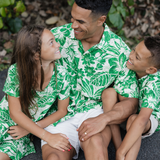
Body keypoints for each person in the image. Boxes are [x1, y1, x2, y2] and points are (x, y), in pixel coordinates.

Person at [47, 0, 139, 159]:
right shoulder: (55, 38)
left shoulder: (119, 52)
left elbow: (130, 101)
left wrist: (104, 118)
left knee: (97, 149)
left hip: (93, 112)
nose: (73, 25)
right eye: (72, 18)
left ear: (101, 20)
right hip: (57, 113)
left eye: (81, 22)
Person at [0, 25, 72, 160]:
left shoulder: (62, 75)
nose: (58, 44)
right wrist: (47, 136)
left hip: (23, 131)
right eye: (51, 42)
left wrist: (30, 129)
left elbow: (62, 111)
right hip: (4, 119)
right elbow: (14, 112)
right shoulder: (17, 72)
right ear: (36, 55)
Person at [115, 36, 160, 160]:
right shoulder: (132, 68)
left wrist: (120, 152)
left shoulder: (154, 85)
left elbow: (142, 121)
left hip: (151, 118)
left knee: (134, 120)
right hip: (135, 108)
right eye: (134, 50)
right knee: (109, 93)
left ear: (150, 70)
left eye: (137, 57)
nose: (131, 55)